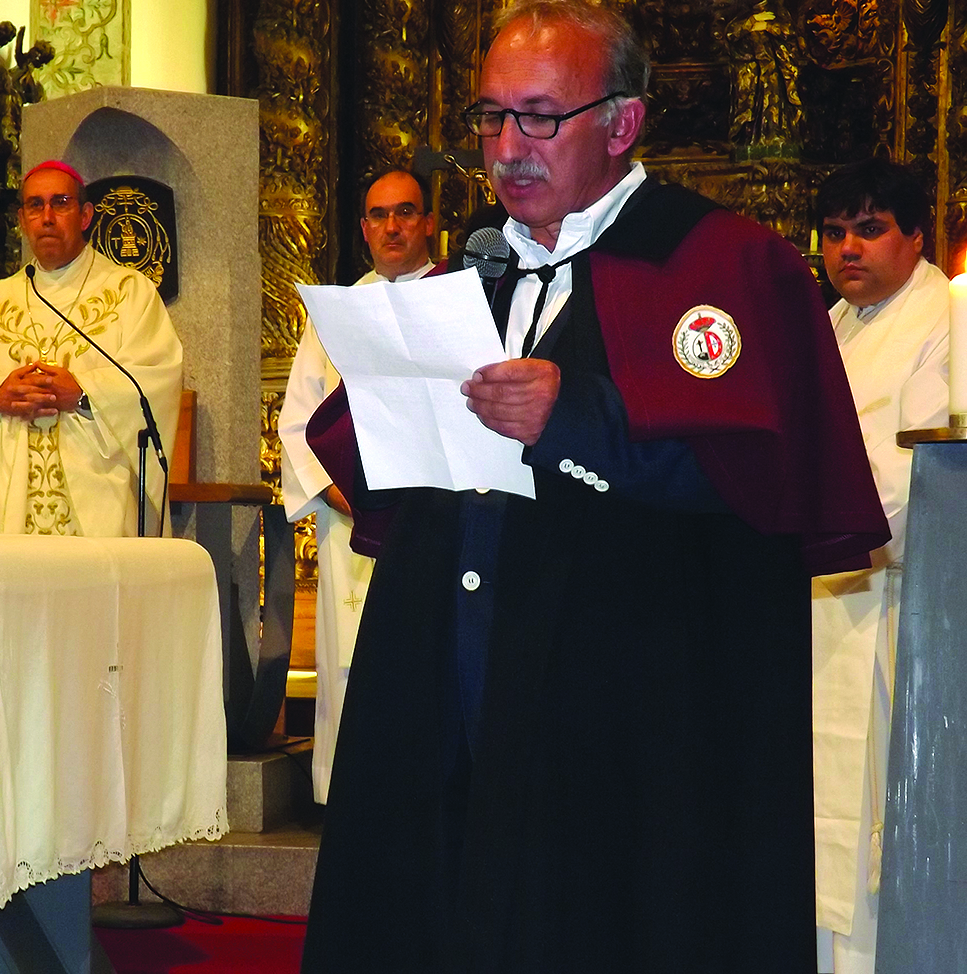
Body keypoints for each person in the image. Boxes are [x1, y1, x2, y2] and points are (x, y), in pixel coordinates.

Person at [300, 2, 889, 972]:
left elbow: (768, 475)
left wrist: (580, 418)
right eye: (491, 117)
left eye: (539, 117)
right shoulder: (472, 270)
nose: (506, 149)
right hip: (454, 675)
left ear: (622, 124)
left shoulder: (722, 263)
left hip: (628, 703)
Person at [812, 159, 949, 974]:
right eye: (834, 233)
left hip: (901, 606)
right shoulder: (831, 323)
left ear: (914, 235)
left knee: (880, 817)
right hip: (825, 597)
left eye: (869, 229)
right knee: (825, 812)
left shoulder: (944, 317)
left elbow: (920, 471)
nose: (848, 249)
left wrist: (810, 535)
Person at [279, 169, 437, 803]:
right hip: (350, 526)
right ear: (364, 228)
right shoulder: (334, 315)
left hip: (431, 524)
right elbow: (298, 421)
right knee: (351, 661)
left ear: (429, 222)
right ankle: (350, 802)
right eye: (378, 215)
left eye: (405, 212)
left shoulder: (455, 301)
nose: (391, 227)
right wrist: (344, 494)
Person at [0, 160, 183, 536]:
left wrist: (83, 395)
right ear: (22, 219)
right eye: (35, 205)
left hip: (99, 496)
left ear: (85, 215)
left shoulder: (129, 292)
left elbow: (157, 381)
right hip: (10, 495)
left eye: (60, 203)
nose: (47, 217)